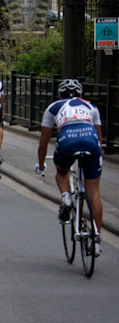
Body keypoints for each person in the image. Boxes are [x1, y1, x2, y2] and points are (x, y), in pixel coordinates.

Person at [36, 79, 103, 256]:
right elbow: (100, 139)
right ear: (81, 95)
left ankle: (66, 196)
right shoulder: (91, 107)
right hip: (90, 142)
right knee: (94, 192)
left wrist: (41, 164)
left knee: (62, 171)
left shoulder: (53, 107)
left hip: (68, 141)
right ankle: (96, 240)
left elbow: (43, 143)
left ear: (60, 95)